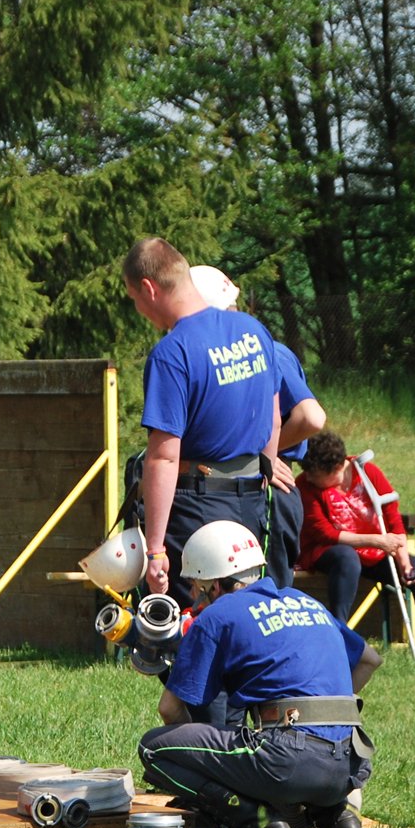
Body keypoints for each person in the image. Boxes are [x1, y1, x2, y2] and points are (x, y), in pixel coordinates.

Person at [136, 520, 381, 828]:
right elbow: (369, 660)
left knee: (153, 748)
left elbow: (170, 709)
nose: (193, 594)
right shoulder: (306, 601)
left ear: (215, 584)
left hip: (288, 761)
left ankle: (256, 823)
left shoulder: (217, 615)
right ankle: (337, 819)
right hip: (350, 766)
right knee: (287, 750)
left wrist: (213, 774)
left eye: (195, 585)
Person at [123, 239, 284, 605]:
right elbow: (274, 420)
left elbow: (164, 457)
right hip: (252, 503)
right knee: (246, 616)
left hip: (197, 509)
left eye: (134, 298)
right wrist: (262, 476)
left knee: (195, 625)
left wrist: (155, 550)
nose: (138, 309)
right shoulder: (253, 330)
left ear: (149, 288)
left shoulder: (172, 353)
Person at [188, 264, 326, 585]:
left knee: (266, 592)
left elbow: (311, 417)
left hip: (268, 489)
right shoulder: (237, 352)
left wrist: (263, 457)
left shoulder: (264, 352)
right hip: (244, 489)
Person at [297, 430, 415, 657]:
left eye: (313, 473)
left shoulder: (367, 472)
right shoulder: (305, 486)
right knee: (346, 557)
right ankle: (338, 635)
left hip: (376, 551)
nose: (307, 477)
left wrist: (405, 563)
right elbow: (325, 533)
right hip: (330, 552)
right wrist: (376, 540)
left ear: (337, 468)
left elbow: (392, 518)